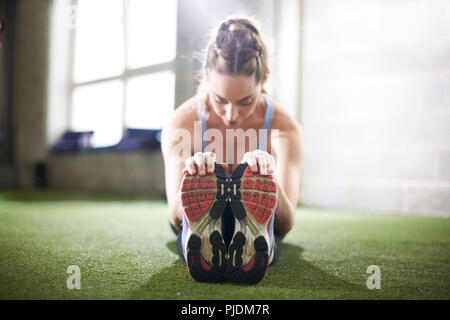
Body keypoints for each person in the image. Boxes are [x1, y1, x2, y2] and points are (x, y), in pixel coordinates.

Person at [161, 17, 304, 284]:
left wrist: (268, 174)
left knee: (272, 226)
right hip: (194, 212)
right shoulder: (181, 123)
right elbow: (175, 214)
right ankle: (210, 237)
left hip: (264, 213)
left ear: (265, 78)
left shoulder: (285, 129)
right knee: (188, 226)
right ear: (206, 76)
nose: (230, 115)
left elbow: (286, 222)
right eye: (220, 99)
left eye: (245, 101)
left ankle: (257, 242)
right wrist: (194, 170)